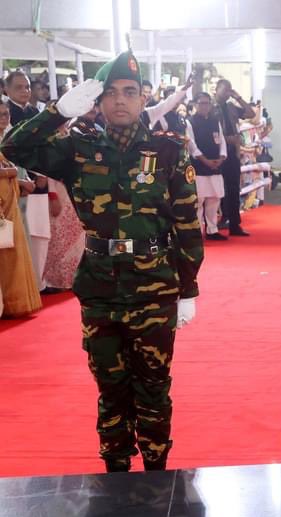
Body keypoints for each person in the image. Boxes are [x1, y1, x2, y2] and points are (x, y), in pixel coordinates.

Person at [1, 50, 204, 472]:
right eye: (110, 93)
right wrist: (57, 112)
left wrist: (188, 289)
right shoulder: (79, 148)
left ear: (144, 96)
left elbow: (187, 223)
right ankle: (116, 476)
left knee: (153, 388)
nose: (119, 101)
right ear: (98, 100)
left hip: (154, 288)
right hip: (100, 288)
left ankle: (157, 474)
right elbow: (13, 145)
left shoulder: (168, 150)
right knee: (110, 389)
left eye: (129, 92)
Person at [0, 155, 41, 318]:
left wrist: (14, 174)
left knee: (14, 251)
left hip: (9, 205)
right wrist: (12, 172)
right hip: (3, 205)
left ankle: (14, 302)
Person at [215, 78, 255, 237]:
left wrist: (238, 97)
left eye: (229, 90)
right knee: (219, 188)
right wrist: (226, 139)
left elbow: (251, 114)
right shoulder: (211, 108)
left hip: (233, 151)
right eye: (225, 89)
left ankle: (234, 223)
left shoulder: (231, 107)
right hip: (217, 152)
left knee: (233, 188)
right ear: (217, 89)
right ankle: (221, 218)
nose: (227, 93)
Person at [188, 92, 228, 241]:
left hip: (216, 165)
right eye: (202, 103)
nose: (205, 106)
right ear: (195, 104)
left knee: (214, 198)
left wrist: (222, 157)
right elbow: (191, 144)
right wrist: (204, 160)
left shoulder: (215, 121)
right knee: (199, 200)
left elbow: (222, 140)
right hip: (199, 166)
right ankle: (197, 231)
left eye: (207, 103)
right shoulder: (190, 122)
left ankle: (212, 229)